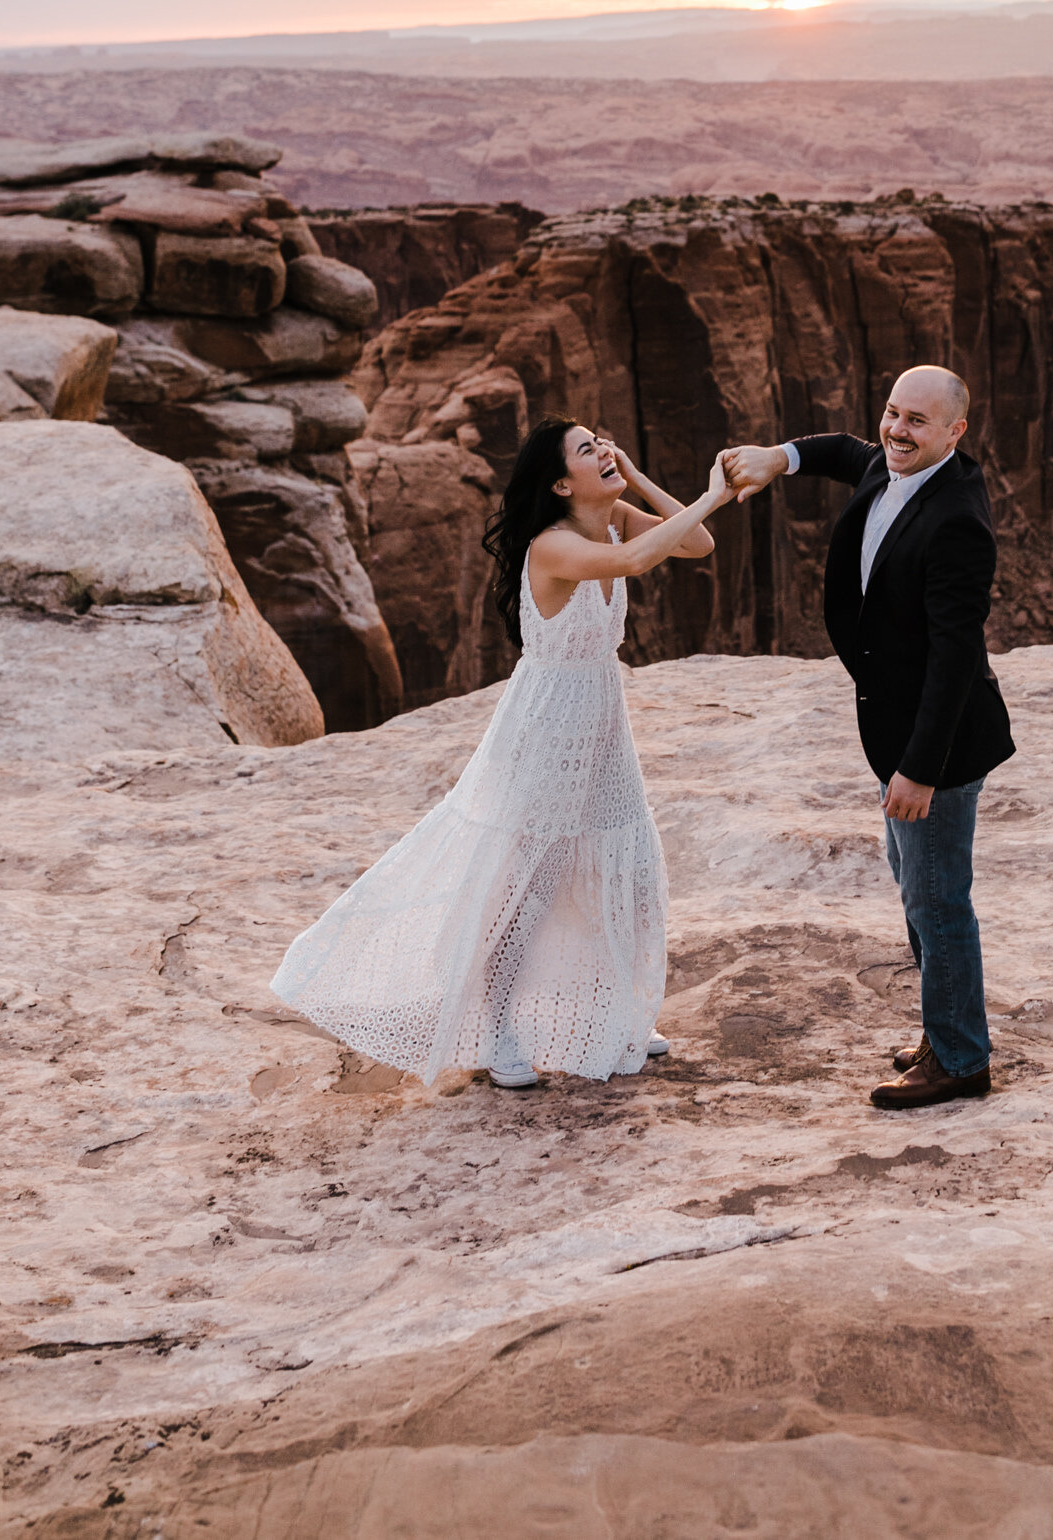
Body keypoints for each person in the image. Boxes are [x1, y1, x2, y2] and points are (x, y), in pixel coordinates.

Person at [271, 418, 732, 1090]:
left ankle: (616, 1011)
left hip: (601, 721)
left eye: (600, 444)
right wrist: (715, 489)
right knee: (528, 886)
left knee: (624, 865)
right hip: (546, 728)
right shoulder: (552, 545)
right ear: (557, 482)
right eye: (586, 451)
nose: (601, 452)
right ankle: (495, 1029)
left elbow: (695, 542)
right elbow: (638, 562)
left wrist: (633, 476)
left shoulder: (614, 517)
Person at [723, 366, 1014, 1110]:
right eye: (891, 413)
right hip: (896, 736)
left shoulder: (956, 519)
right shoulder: (890, 468)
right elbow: (840, 450)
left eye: (917, 421)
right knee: (918, 893)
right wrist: (775, 457)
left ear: (954, 432)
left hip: (935, 749)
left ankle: (958, 1059)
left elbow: (953, 660)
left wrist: (919, 771)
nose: (895, 431)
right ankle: (944, 1029)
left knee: (937, 901)